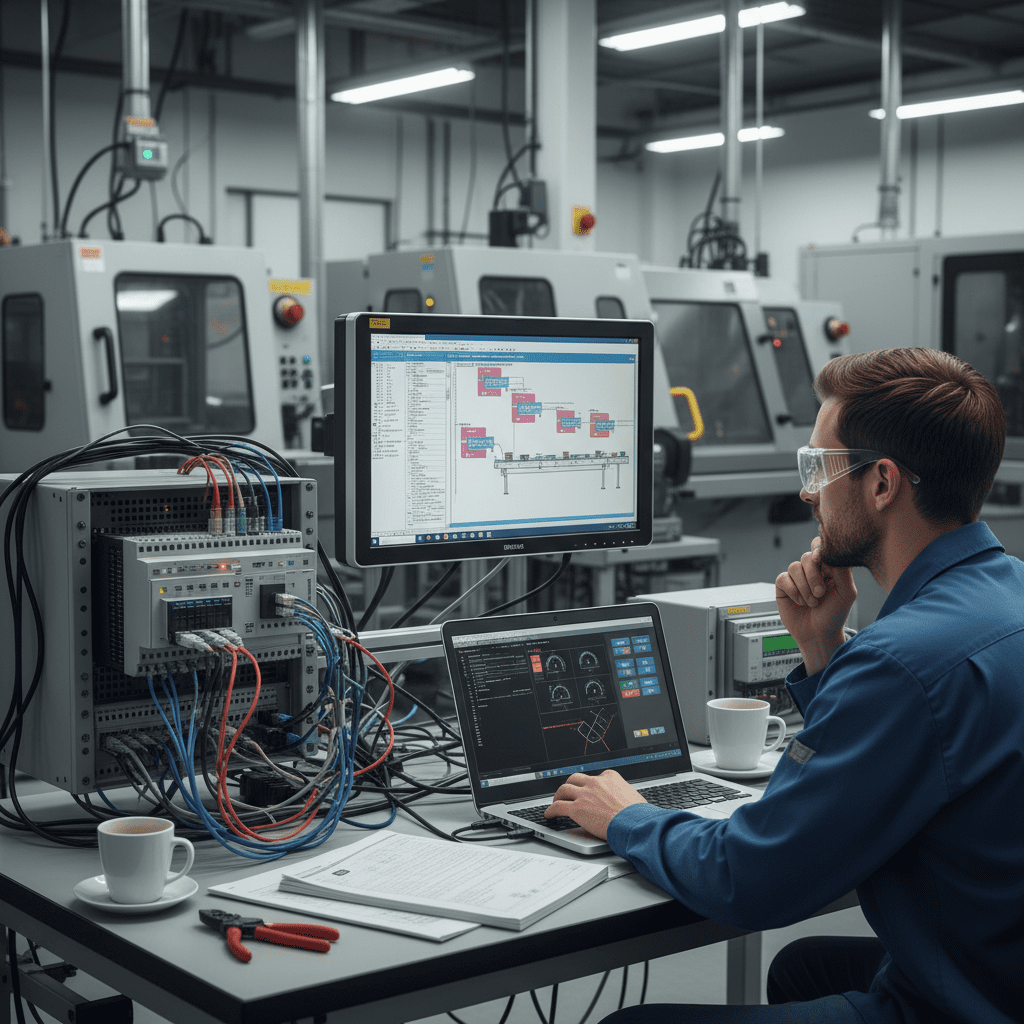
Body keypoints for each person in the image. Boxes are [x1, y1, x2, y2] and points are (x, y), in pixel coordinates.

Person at [545, 348, 1024, 1023]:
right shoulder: (1008, 592)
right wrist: (824, 648)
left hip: (966, 1007)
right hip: (1000, 961)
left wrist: (626, 814)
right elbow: (899, 766)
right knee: (804, 966)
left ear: (882, 484)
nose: (808, 493)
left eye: (818, 467)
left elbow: (750, 879)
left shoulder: (901, 663)